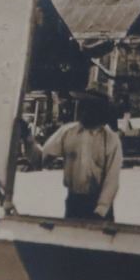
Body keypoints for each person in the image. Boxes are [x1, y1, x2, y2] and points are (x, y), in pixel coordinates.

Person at [26, 91, 123, 222]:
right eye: (81, 105)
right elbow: (40, 160)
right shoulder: (67, 132)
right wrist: (27, 139)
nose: (81, 110)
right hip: (75, 203)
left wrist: (101, 210)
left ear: (99, 110)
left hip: (99, 206)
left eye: (87, 106)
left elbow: (112, 179)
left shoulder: (111, 139)